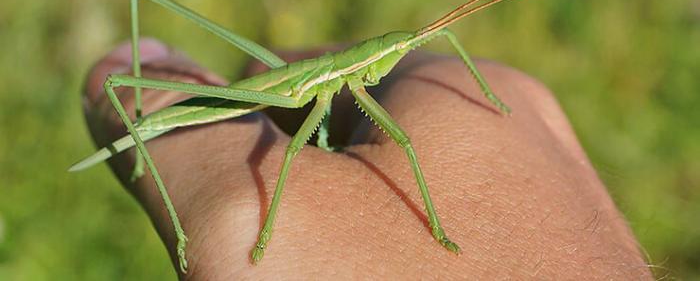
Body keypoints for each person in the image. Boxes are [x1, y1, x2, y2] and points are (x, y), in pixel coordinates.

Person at [83, 39, 652, 279]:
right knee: (382, 145)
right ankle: (151, 160)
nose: (394, 63)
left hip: (310, 80)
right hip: (273, 91)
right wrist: (263, 243)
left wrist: (491, 96)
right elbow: (395, 143)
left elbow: (443, 40)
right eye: (396, 55)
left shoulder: (373, 62)